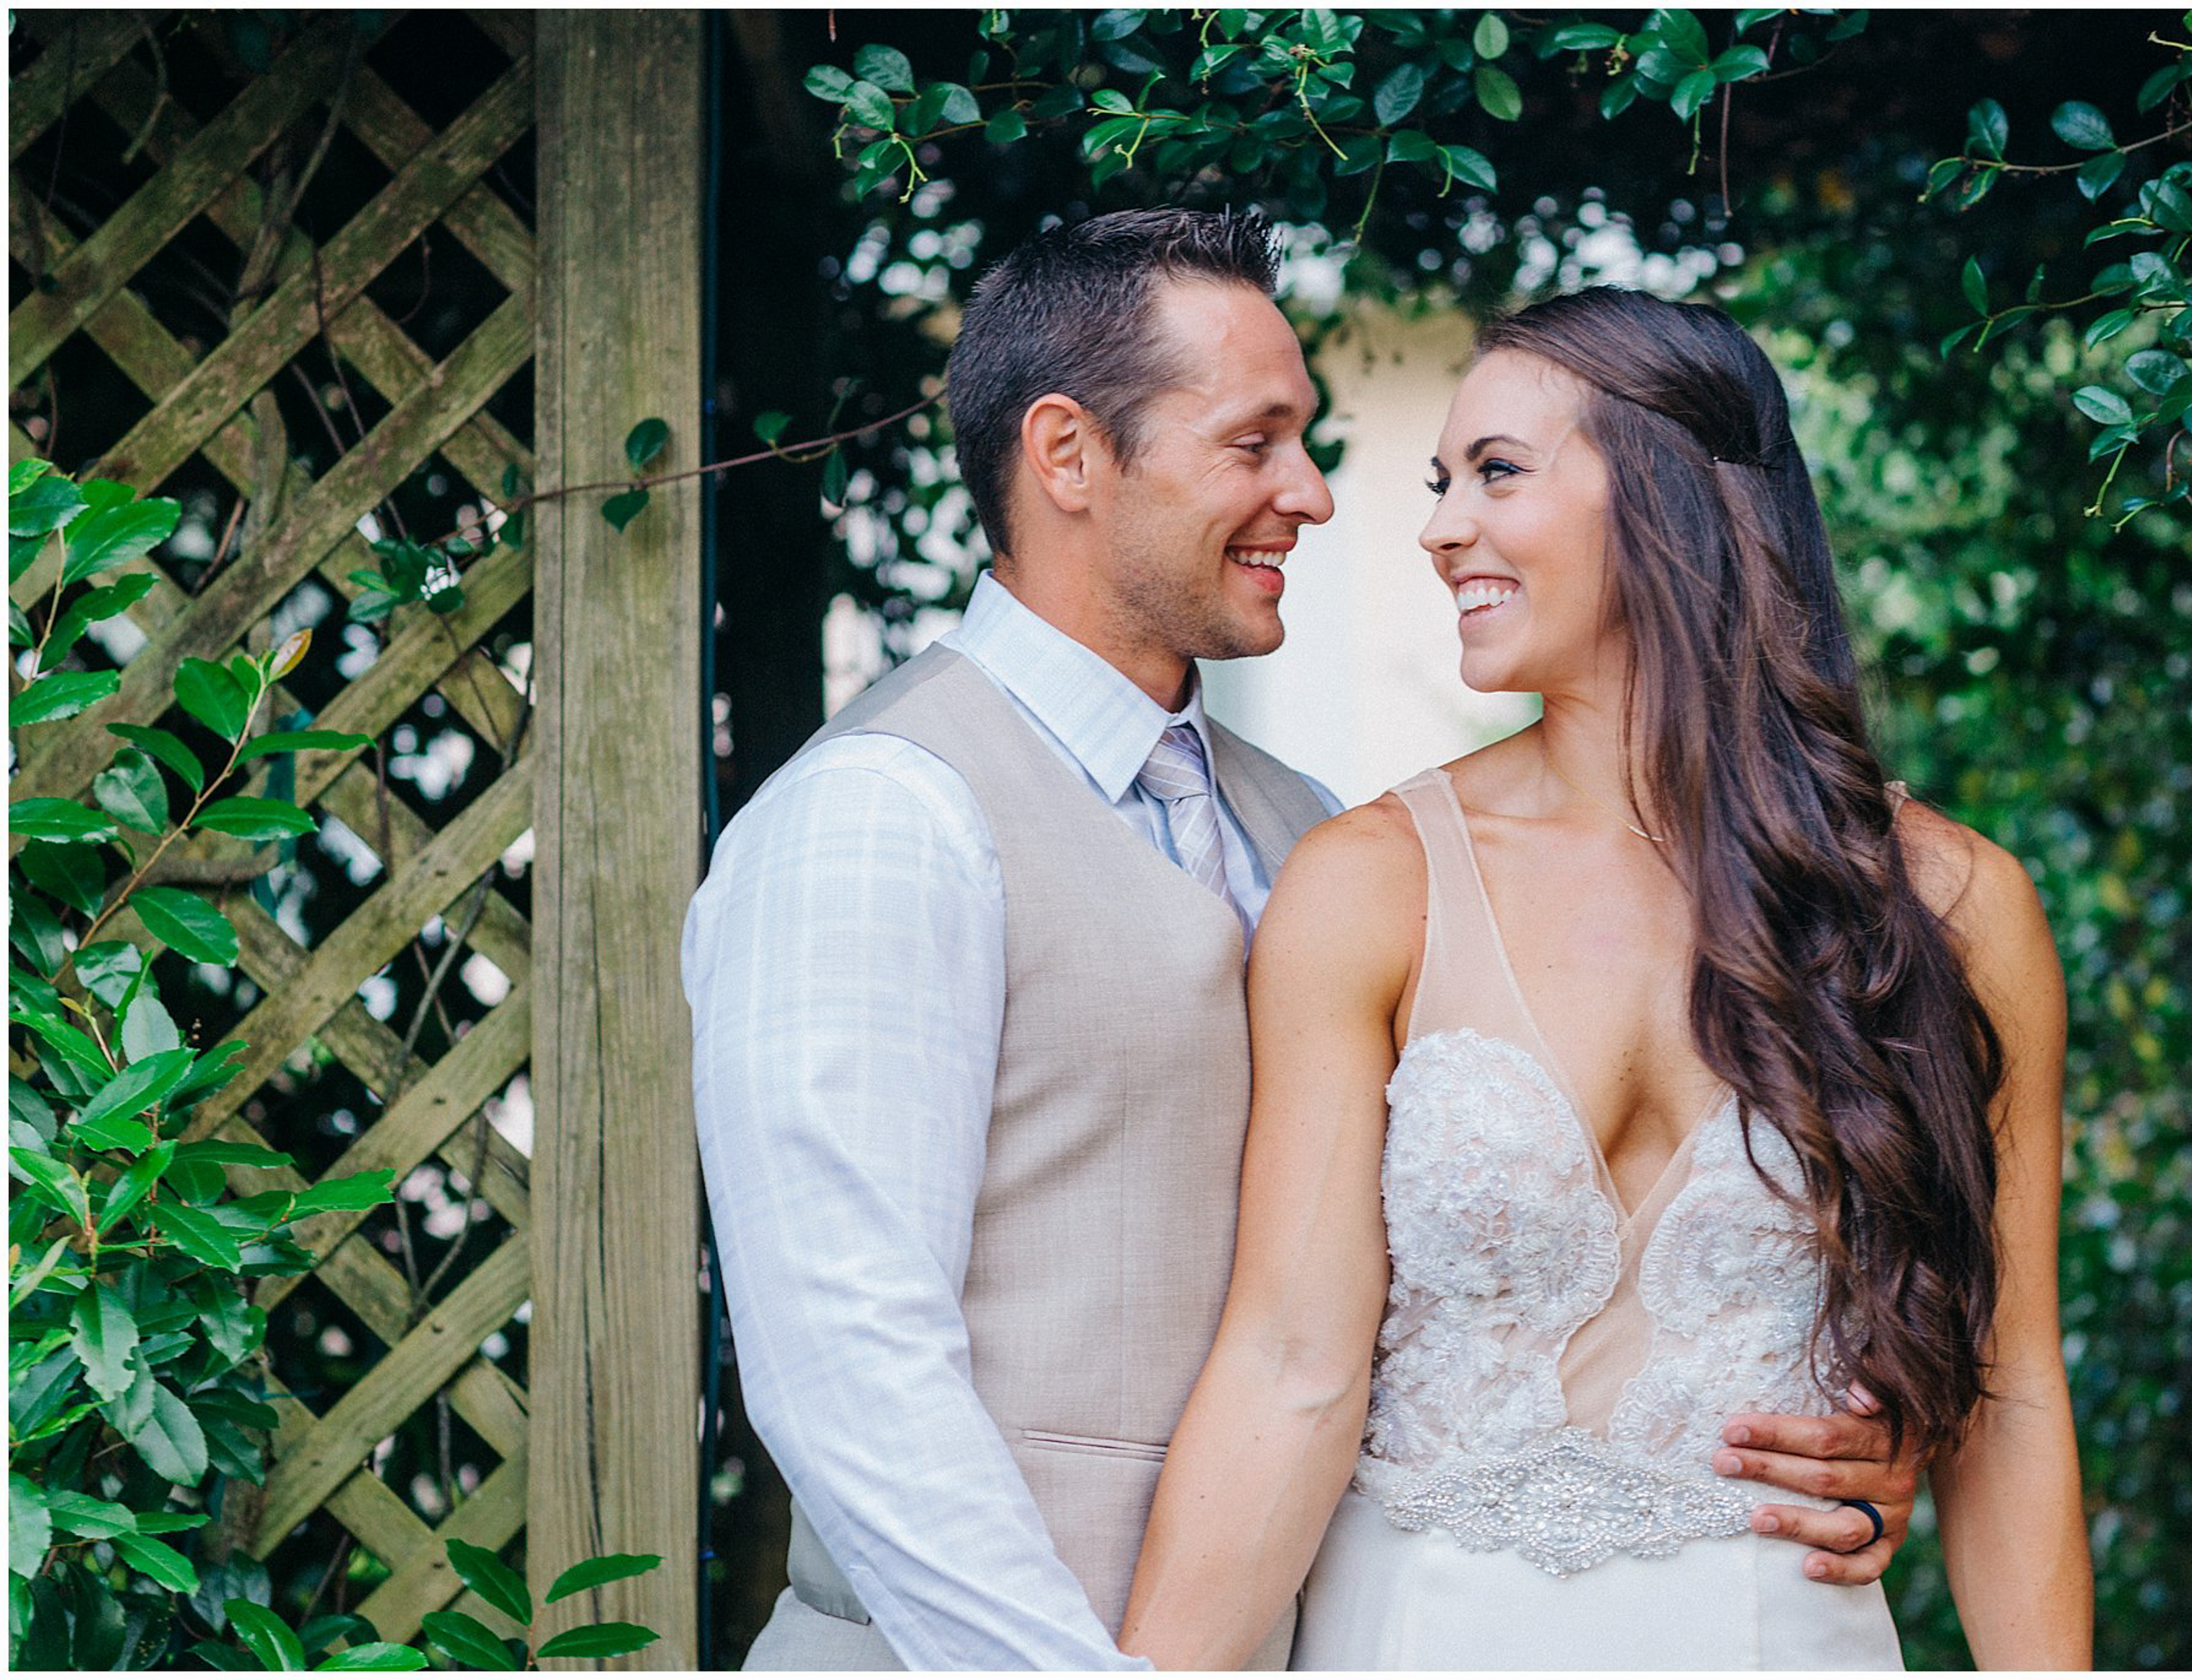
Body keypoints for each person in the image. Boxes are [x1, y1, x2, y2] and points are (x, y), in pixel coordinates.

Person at [686, 215, 1932, 1672]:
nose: (1317, 497)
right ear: (1070, 455)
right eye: (1257, 443)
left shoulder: (1313, 834)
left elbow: (1411, 1297)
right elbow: (850, 1373)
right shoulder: (882, 815)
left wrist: (1796, 1421)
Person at [1117, 289, 2094, 1670]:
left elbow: (2011, 1396)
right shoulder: (1371, 883)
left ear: (1669, 497)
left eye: (1497, 473)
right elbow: (1290, 1368)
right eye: (1442, 482)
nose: (1441, 526)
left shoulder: (1953, 910)